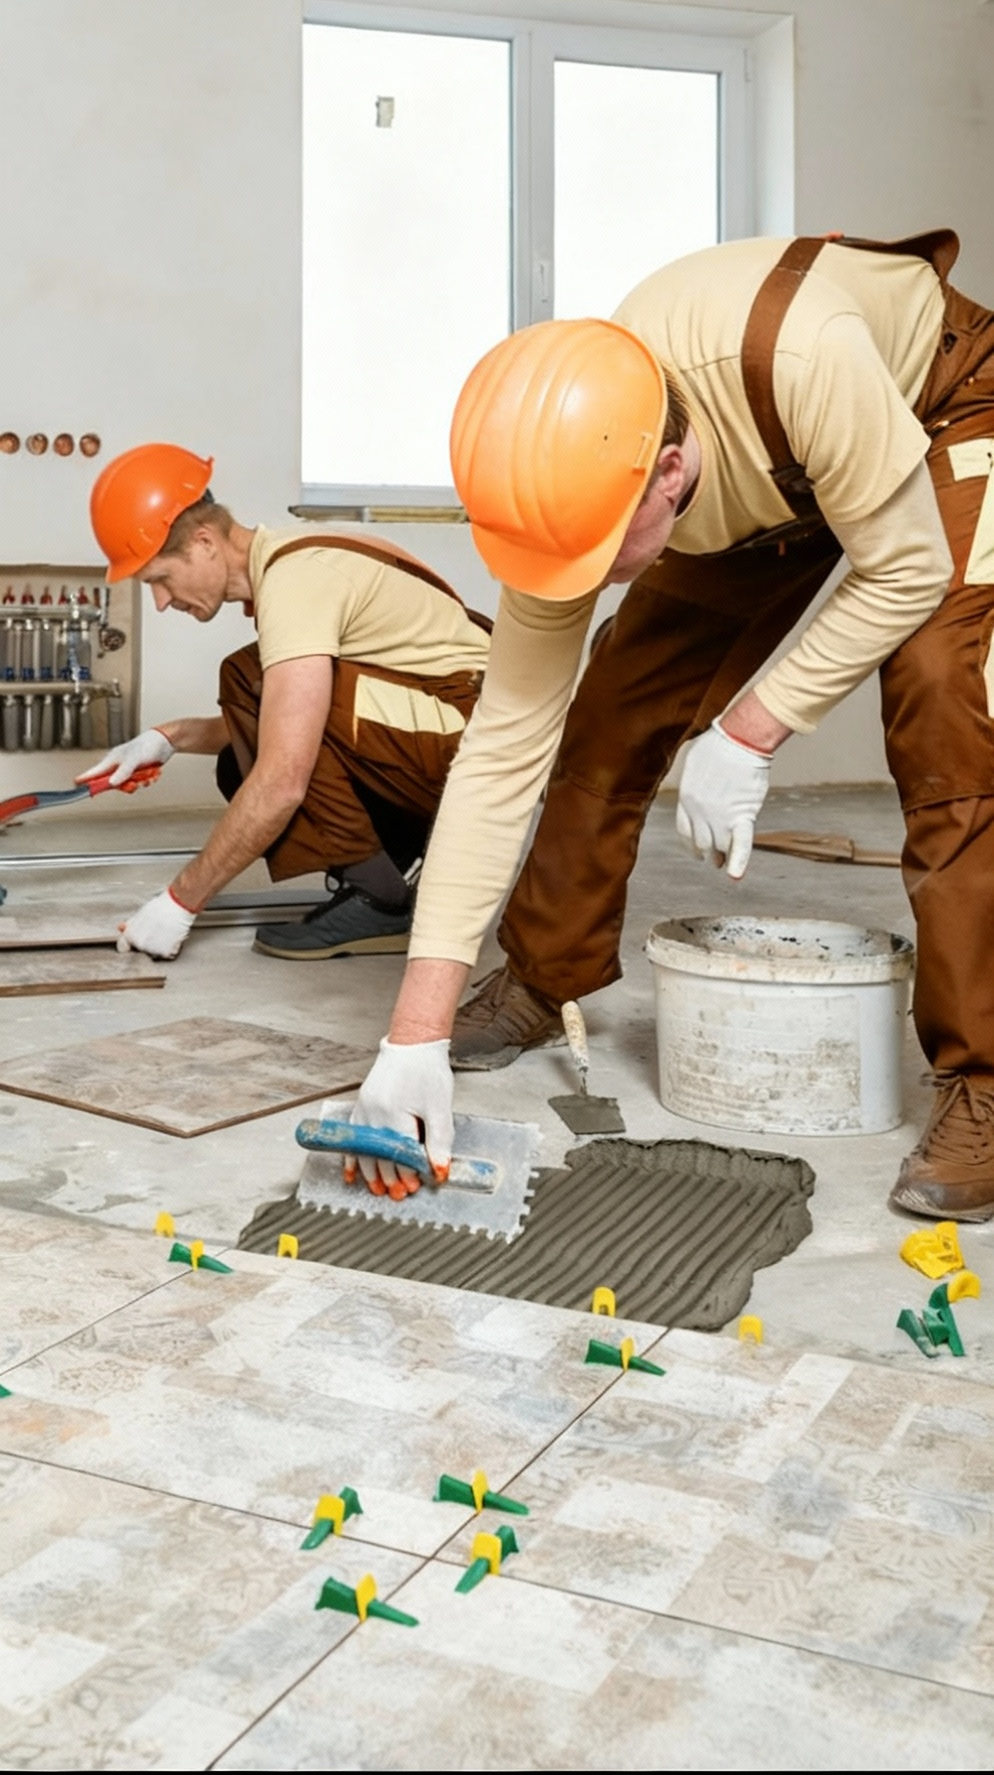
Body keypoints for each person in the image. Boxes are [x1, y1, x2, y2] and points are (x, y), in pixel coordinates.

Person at [339, 230, 994, 1224]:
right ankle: (541, 974)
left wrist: (754, 725)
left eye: (601, 553)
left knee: (944, 692)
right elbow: (500, 756)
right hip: (773, 470)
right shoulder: (569, 471)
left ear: (671, 474)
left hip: (937, 405)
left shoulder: (802, 358)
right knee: (606, 713)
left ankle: (984, 1078)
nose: (585, 578)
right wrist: (412, 1033)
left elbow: (899, 566)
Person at [83, 443, 490, 959]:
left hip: (474, 741)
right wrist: (169, 738)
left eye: (160, 579)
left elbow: (282, 780)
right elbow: (271, 719)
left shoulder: (295, 583)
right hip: (436, 722)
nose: (161, 602)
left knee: (258, 700)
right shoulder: (291, 557)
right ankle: (385, 866)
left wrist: (179, 901)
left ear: (205, 542)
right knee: (247, 693)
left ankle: (381, 898)